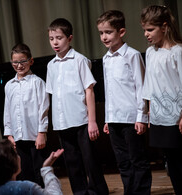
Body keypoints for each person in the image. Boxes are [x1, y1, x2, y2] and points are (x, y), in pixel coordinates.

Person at [46, 18, 109, 195]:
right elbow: (53, 96)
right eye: (51, 38)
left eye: (59, 37)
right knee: (72, 162)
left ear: (70, 38)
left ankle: (98, 192)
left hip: (81, 120)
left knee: (90, 161)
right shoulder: (51, 66)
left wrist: (92, 121)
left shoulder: (79, 60)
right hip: (63, 122)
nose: (55, 42)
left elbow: (89, 91)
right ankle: (80, 192)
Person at [97, 10, 152, 194]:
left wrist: (141, 117)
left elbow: (141, 87)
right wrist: (107, 118)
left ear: (121, 32)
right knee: (123, 161)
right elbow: (110, 91)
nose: (104, 37)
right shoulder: (106, 59)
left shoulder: (132, 55)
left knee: (138, 159)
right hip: (114, 119)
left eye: (108, 32)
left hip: (131, 118)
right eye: (101, 33)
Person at [141, 5, 182, 194]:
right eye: (144, 30)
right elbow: (149, 84)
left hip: (176, 116)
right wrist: (150, 111)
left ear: (164, 27)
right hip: (159, 116)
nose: (146, 34)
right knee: (171, 161)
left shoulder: (177, 52)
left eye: (150, 29)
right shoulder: (150, 52)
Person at [3, 43, 49, 186]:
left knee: (39, 171)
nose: (19, 65)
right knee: (24, 172)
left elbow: (44, 109)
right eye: (15, 62)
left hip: (35, 135)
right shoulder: (9, 85)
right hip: (18, 136)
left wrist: (42, 133)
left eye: (23, 61)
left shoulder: (38, 82)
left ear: (31, 61)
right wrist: (9, 134)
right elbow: (7, 111)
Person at [0, 139, 64, 195]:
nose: (19, 157)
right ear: (11, 163)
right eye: (16, 154)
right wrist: (46, 168)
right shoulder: (26, 188)